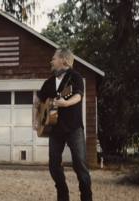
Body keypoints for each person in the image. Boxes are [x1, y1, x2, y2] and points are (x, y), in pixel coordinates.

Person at [37, 48, 93, 201]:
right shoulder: (48, 83)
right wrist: (39, 119)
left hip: (74, 128)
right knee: (53, 166)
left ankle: (86, 198)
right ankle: (63, 195)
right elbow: (38, 101)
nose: (51, 61)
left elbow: (78, 96)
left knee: (80, 165)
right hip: (54, 130)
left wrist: (66, 103)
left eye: (54, 58)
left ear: (64, 60)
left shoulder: (75, 77)